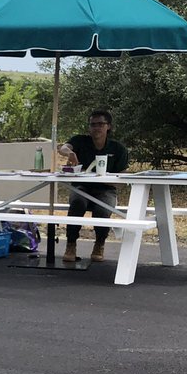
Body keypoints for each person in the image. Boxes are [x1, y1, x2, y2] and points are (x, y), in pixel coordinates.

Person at [57, 109, 129, 263]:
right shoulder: (80, 141)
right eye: (93, 124)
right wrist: (69, 153)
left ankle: (99, 244)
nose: (96, 128)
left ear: (108, 126)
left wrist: (103, 179)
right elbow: (62, 147)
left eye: (100, 124)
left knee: (102, 209)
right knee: (77, 203)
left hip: (106, 189)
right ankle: (71, 244)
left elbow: (122, 179)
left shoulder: (118, 149)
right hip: (81, 186)